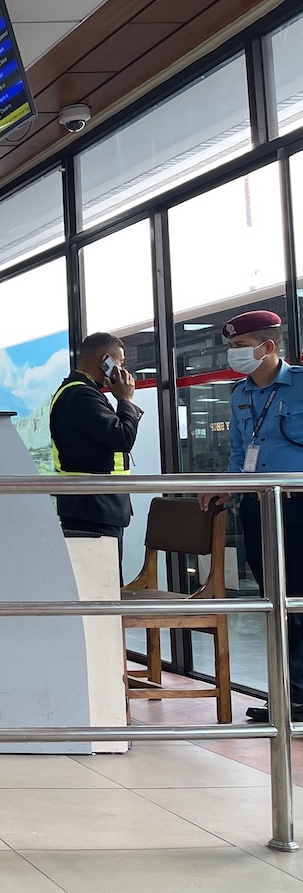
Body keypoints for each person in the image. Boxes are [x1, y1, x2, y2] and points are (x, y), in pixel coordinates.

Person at [199, 310, 303, 723]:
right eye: (232, 347)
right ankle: (290, 694)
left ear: (268, 346)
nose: (233, 354)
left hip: (298, 506)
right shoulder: (240, 395)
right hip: (260, 508)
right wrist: (226, 484)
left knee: (299, 600)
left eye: (241, 347)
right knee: (274, 602)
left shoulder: (299, 387)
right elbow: (241, 455)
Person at [49, 332, 142, 545]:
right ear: (105, 361)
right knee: (102, 577)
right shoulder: (81, 395)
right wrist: (125, 400)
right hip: (94, 507)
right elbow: (122, 439)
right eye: (119, 362)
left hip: (93, 505)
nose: (122, 369)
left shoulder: (79, 391)